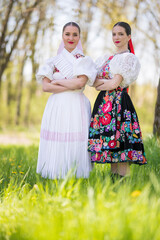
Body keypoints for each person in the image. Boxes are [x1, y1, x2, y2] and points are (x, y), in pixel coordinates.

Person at [36, 22, 97, 179]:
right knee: (58, 137)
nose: (71, 38)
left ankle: (76, 174)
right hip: (57, 105)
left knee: (76, 138)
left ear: (79, 37)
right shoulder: (52, 61)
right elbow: (45, 87)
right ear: (62, 36)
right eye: (67, 34)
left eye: (75, 34)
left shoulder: (83, 60)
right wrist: (69, 84)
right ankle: (55, 172)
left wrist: (56, 82)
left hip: (76, 104)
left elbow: (80, 83)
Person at [88, 22, 147, 179]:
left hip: (119, 104)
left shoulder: (128, 58)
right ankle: (113, 188)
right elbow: (93, 83)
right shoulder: (106, 59)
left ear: (129, 36)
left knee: (120, 146)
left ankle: (123, 187)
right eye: (114, 34)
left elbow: (114, 84)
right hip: (103, 105)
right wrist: (103, 84)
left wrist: (102, 84)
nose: (116, 37)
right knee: (111, 148)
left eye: (121, 34)